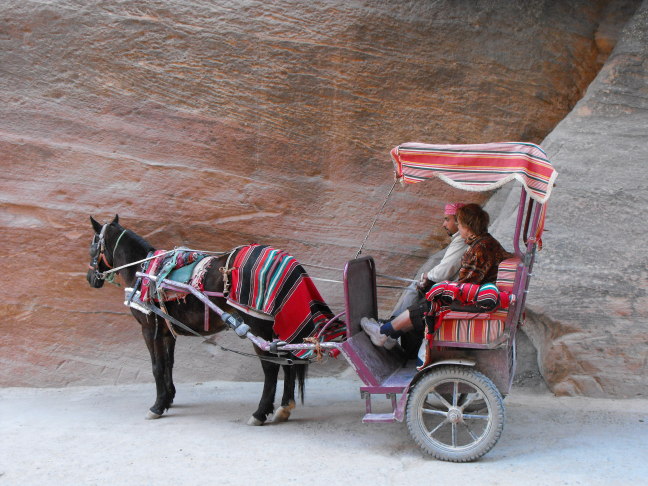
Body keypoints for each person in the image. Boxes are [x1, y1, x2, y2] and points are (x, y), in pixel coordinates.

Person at [361, 203, 512, 349]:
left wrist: (440, 290)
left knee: (428, 303)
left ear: (468, 226)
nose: (458, 228)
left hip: (480, 302)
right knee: (430, 298)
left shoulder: (479, 249)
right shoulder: (485, 242)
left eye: (459, 224)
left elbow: (466, 286)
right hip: (485, 296)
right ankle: (389, 334)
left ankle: (384, 333)